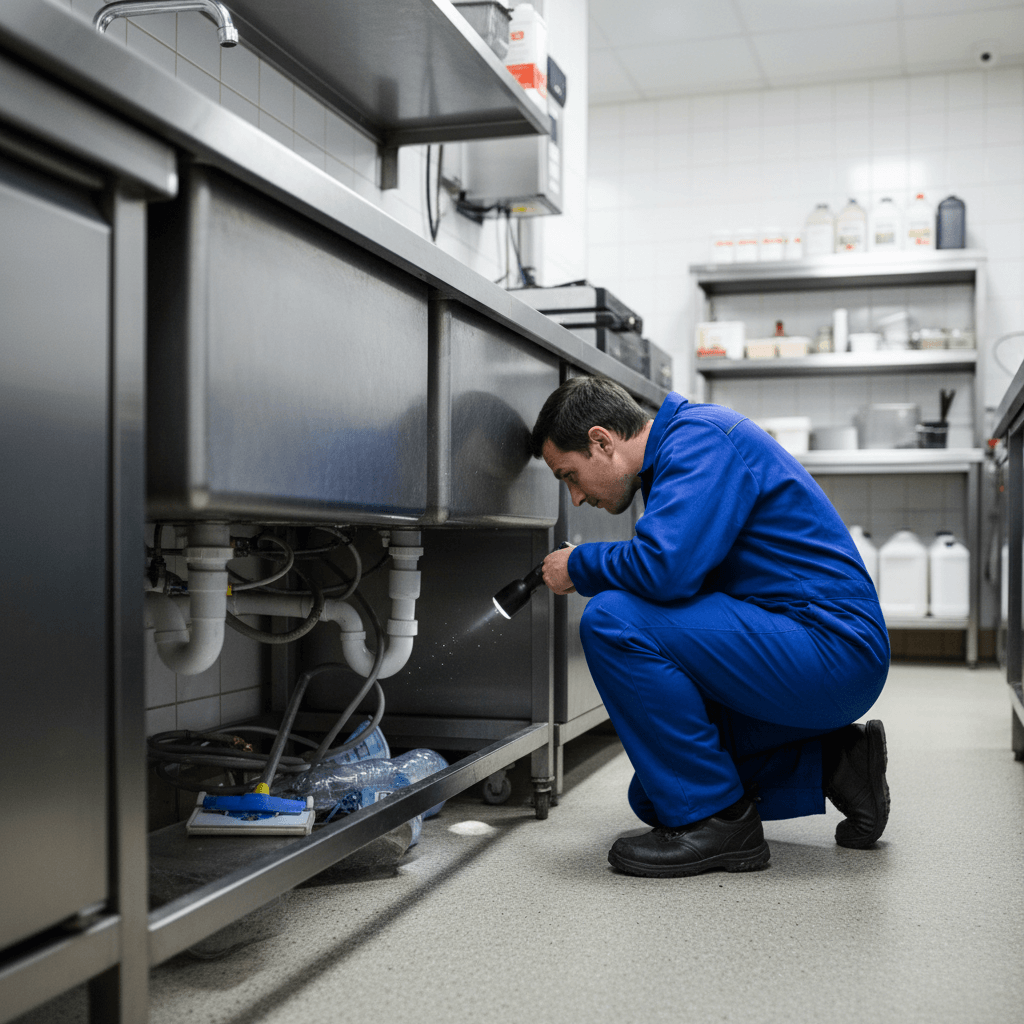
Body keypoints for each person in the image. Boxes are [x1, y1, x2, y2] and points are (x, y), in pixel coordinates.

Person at [530, 376, 890, 878]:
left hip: (831, 648)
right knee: (658, 792)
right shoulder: (676, 455)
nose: (574, 497)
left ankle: (719, 824)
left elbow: (666, 569)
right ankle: (836, 762)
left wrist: (581, 565)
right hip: (800, 647)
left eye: (570, 476)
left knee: (613, 618)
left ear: (601, 441)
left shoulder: (700, 440)